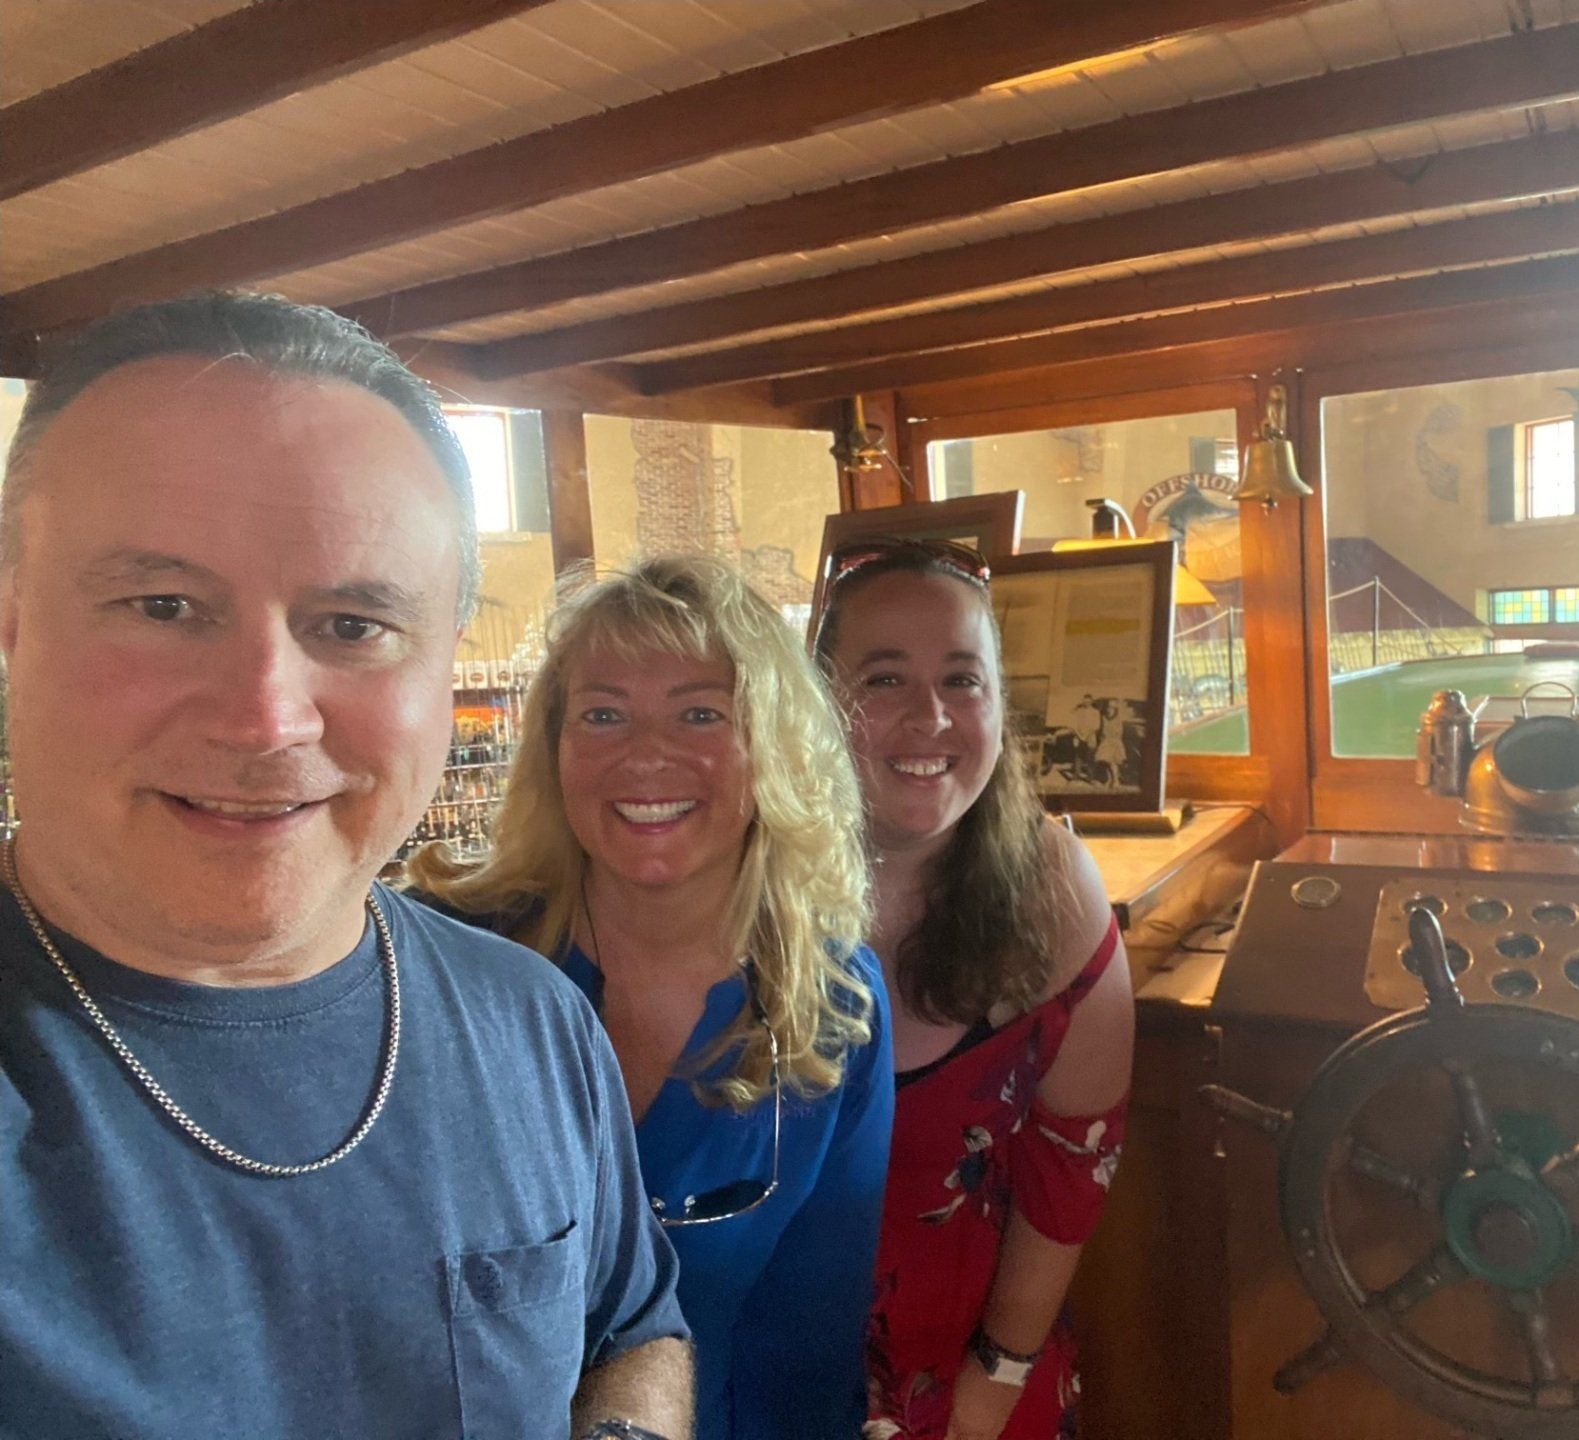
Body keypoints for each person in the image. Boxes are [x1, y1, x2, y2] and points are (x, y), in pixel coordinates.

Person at [0, 293, 691, 1440]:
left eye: (354, 625)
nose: (267, 719)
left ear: (447, 659)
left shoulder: (532, 1020)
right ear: (14, 623)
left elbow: (630, 1329)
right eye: (164, 606)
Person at [411, 554, 893, 1440]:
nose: (646, 755)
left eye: (701, 713)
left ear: (774, 747)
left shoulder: (834, 1002)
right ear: (554, 749)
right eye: (602, 715)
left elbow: (807, 1344)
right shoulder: (441, 958)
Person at [814, 540, 1136, 1440]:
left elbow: (1074, 1165)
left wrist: (992, 1382)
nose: (931, 717)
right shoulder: (740, 877)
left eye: (963, 680)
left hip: (978, 1388)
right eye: (883, 681)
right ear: (817, 704)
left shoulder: (1052, 885)